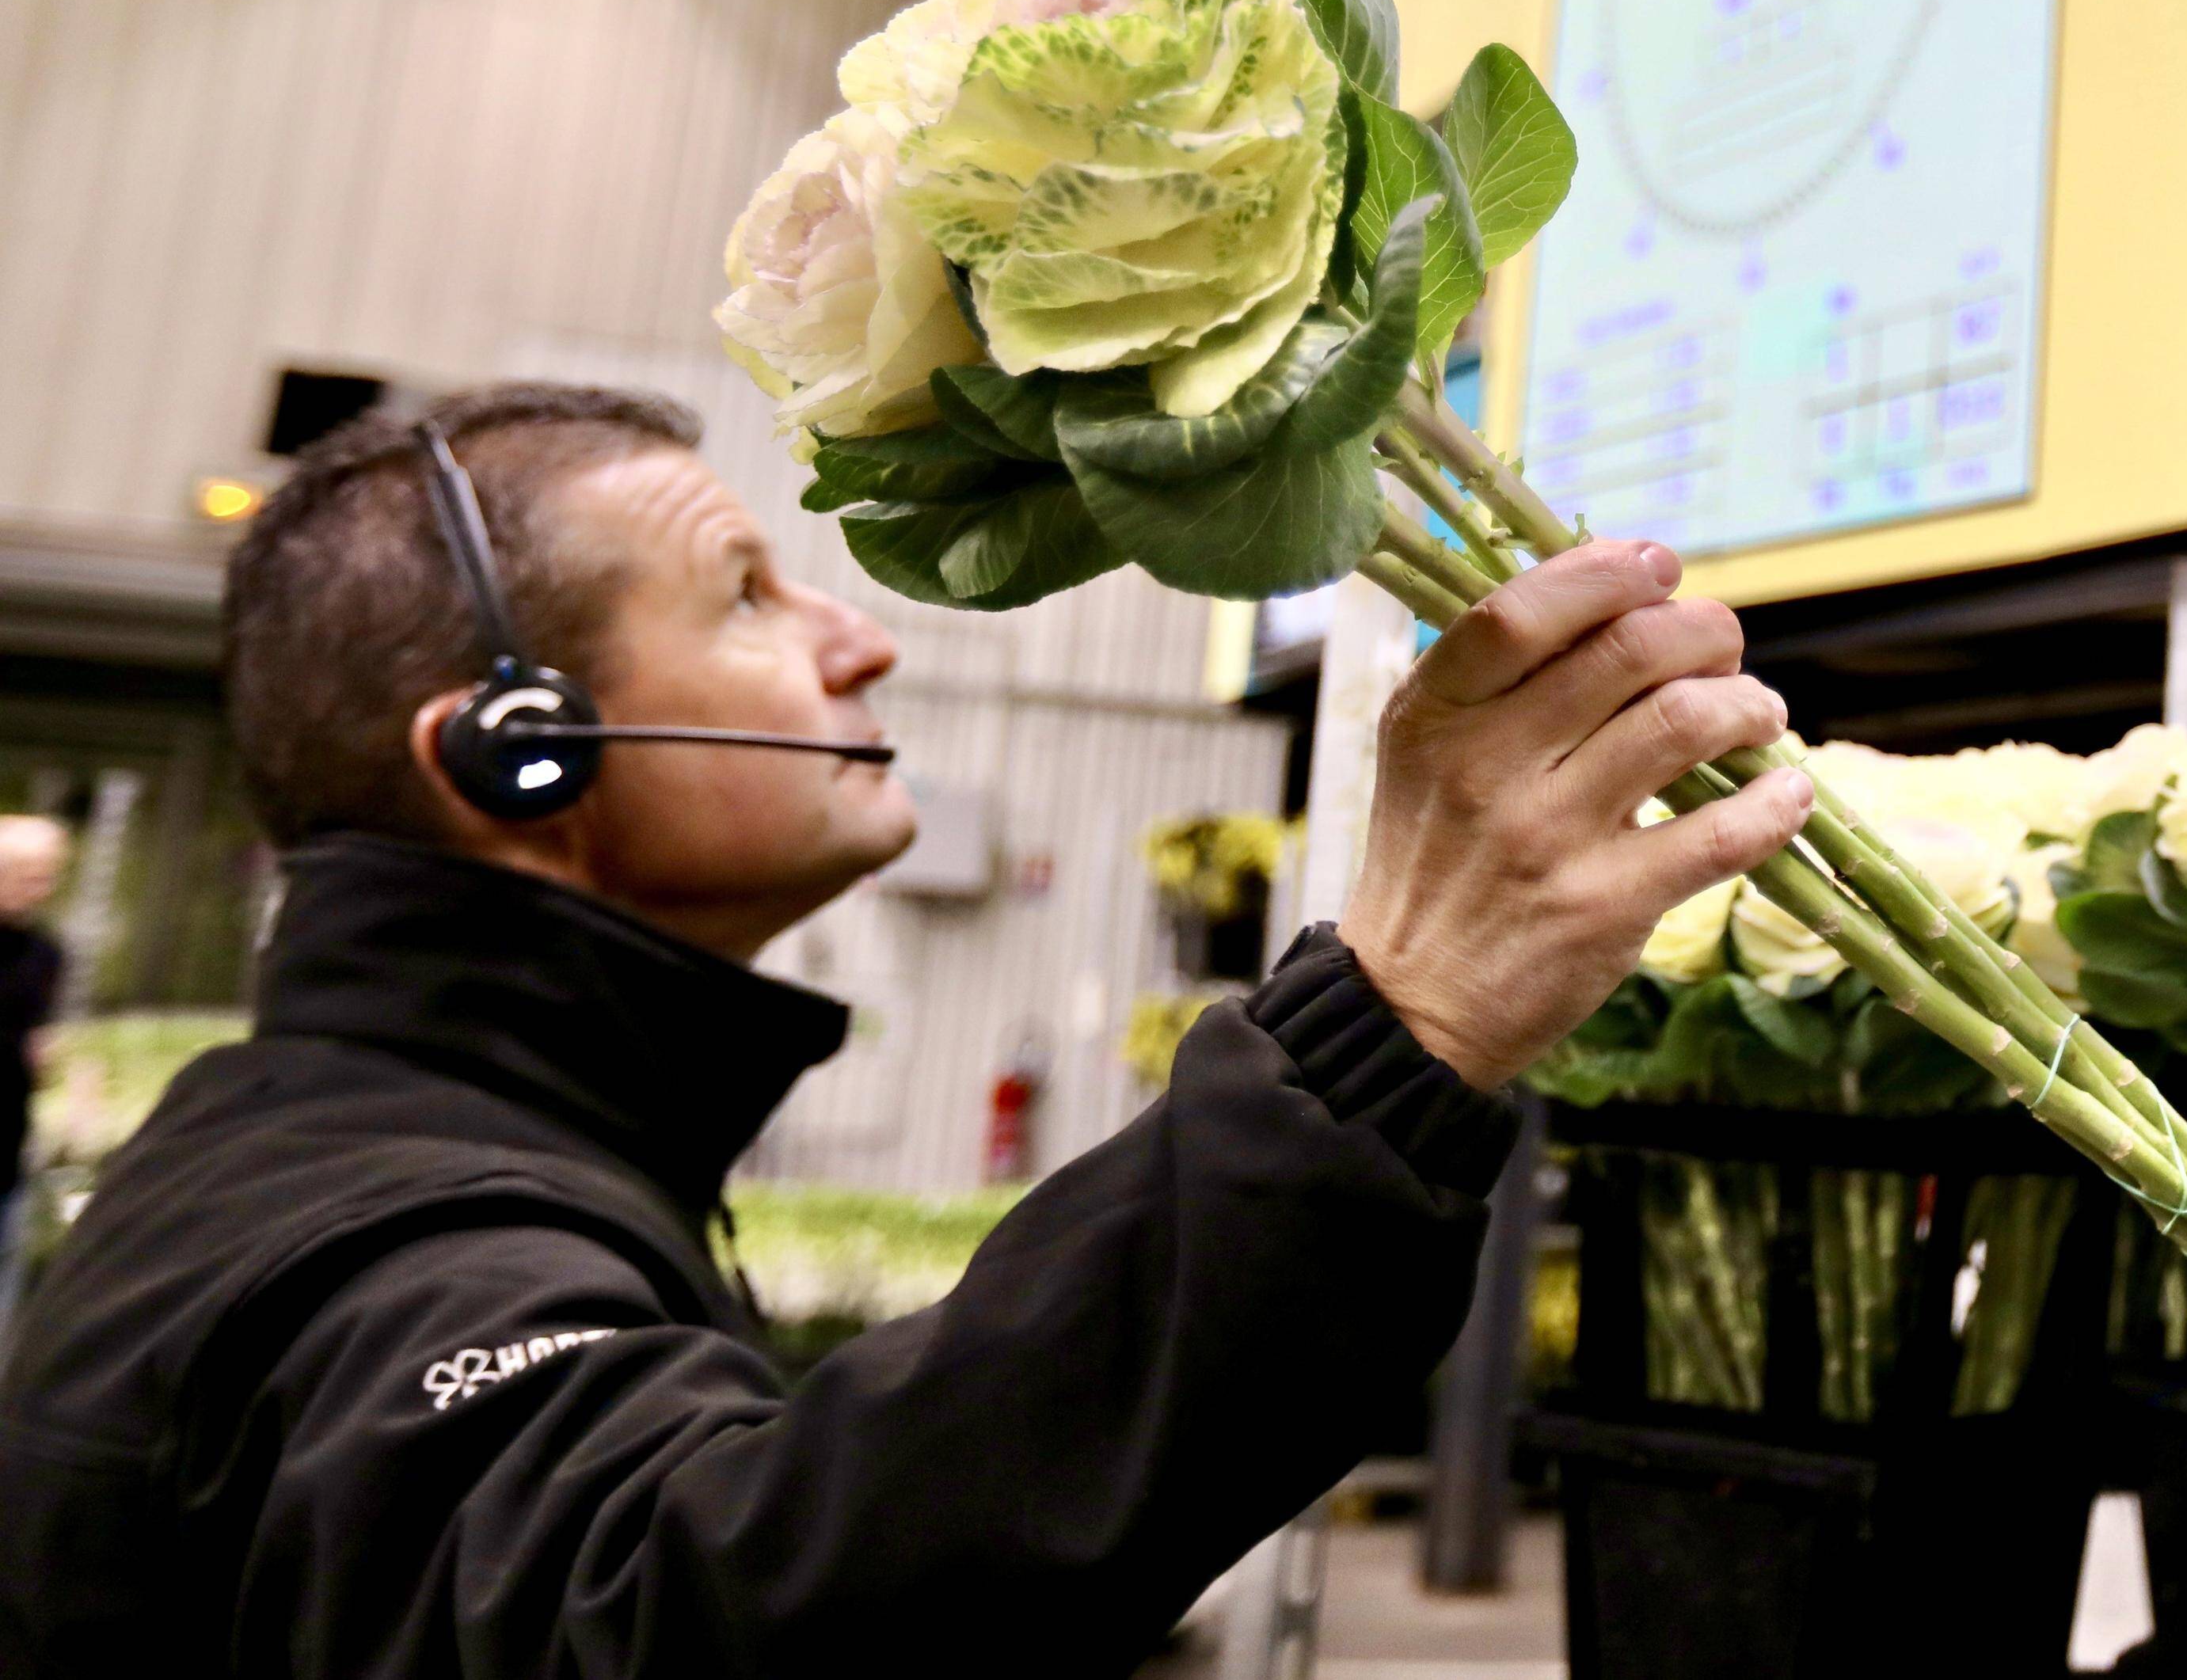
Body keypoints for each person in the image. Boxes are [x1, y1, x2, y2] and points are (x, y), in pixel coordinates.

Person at [0, 382, 1810, 1675]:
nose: (852, 637)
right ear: (515, 754)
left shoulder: (358, 1134)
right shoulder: (396, 1246)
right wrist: (1388, 1033)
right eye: (746, 593)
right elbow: (686, 1612)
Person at [0, 815, 67, 1347]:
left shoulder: (45, 952)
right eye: (24, 873)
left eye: (46, 875)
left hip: (6, 1140)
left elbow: (37, 1036)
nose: (37, 887)